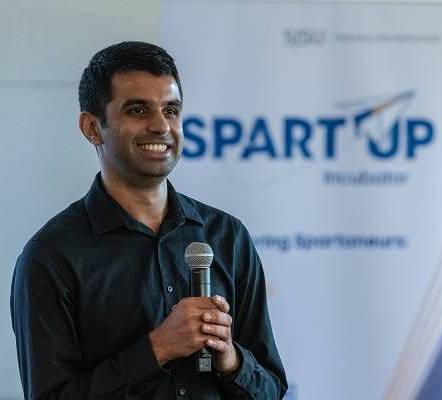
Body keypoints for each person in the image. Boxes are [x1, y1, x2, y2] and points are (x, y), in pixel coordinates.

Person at [11, 41, 287, 399]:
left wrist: (231, 360)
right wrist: (158, 348)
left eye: (171, 110)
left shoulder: (226, 237)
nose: (161, 126)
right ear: (92, 128)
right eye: (138, 110)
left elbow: (272, 390)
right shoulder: (52, 256)